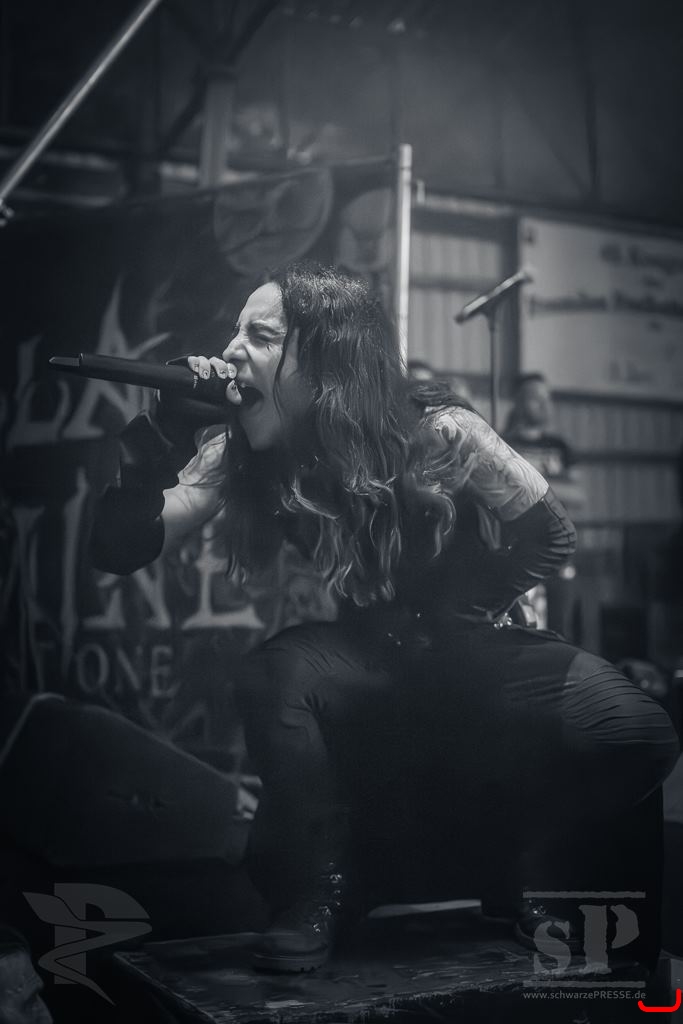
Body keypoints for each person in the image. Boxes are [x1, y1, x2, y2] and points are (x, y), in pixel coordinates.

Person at [90, 264, 679, 975]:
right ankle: (320, 893)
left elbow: (550, 535)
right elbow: (119, 547)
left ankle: (540, 868)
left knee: (638, 732)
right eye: (234, 332)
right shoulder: (242, 450)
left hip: (478, 643)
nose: (231, 350)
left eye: (261, 335)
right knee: (277, 675)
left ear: (328, 357)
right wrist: (161, 434)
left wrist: (465, 606)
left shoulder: (436, 430)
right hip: (371, 649)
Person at [503, 372, 585, 640]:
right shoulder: (503, 444)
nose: (544, 404)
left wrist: (528, 480)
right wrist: (554, 487)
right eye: (535, 398)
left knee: (562, 626)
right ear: (518, 401)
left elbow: (578, 495)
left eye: (547, 398)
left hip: (559, 549)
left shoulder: (560, 446)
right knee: (522, 626)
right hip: (517, 551)